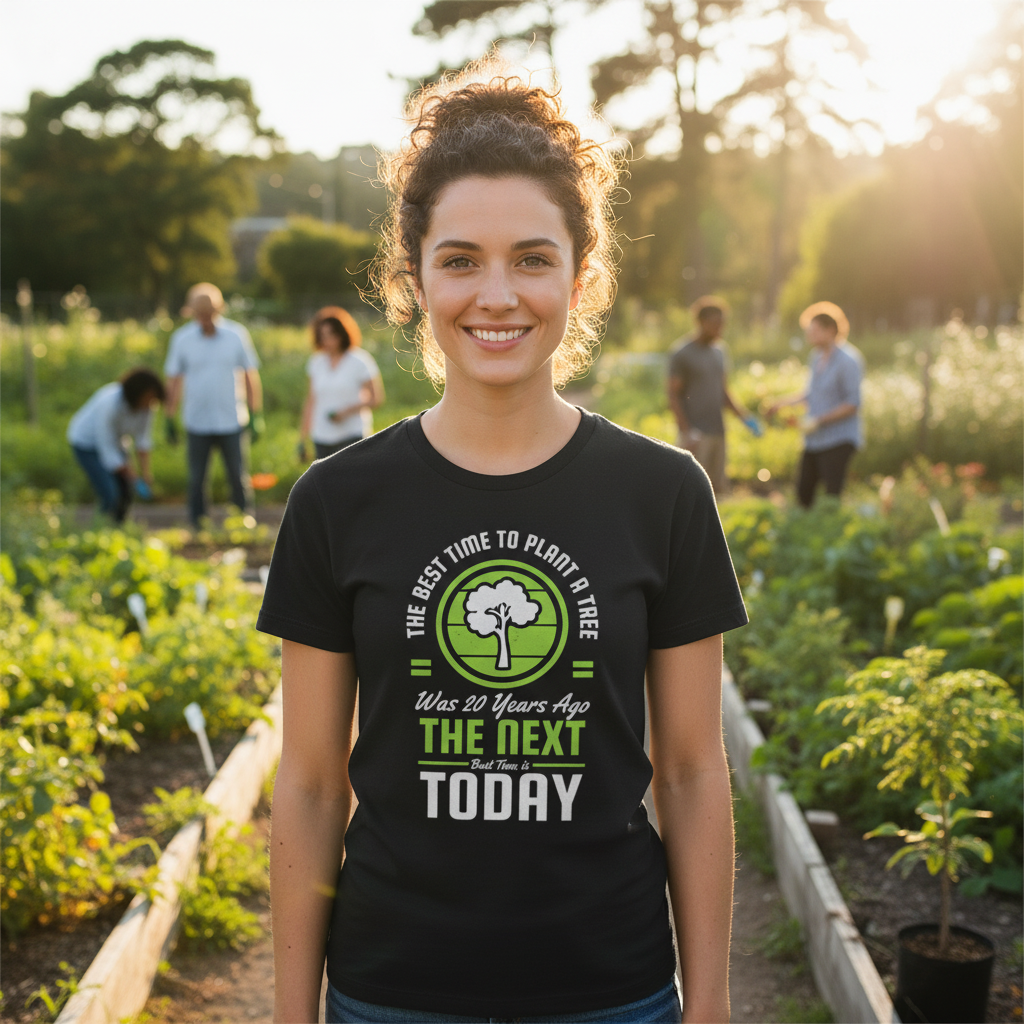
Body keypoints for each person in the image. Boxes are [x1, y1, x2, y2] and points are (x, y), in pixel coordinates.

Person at [258, 65, 747, 1024]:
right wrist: (290, 1012)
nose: (497, 295)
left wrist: (713, 1001)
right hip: (392, 991)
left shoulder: (663, 494)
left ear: (581, 273)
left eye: (532, 258)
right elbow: (312, 785)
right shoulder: (335, 502)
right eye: (460, 260)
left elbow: (691, 770)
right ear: (414, 280)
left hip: (612, 990)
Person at [163, 283, 264, 528]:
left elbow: (250, 375)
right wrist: (169, 416)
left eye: (209, 314)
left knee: (237, 475)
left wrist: (255, 413)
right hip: (196, 419)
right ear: (193, 313)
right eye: (200, 314)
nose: (205, 319)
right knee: (197, 478)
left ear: (218, 310)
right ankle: (198, 523)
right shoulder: (182, 339)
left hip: (231, 418)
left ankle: (242, 519)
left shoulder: (236, 335)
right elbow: (174, 380)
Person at [767, 301, 863, 508]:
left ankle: (831, 534)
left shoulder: (848, 360)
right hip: (815, 439)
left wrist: (818, 420)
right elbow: (811, 394)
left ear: (831, 330)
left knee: (831, 495)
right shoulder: (817, 356)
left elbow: (853, 403)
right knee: (803, 492)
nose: (810, 335)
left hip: (839, 439)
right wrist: (780, 403)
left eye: (815, 330)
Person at [667, 298, 760, 495]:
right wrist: (686, 431)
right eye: (716, 324)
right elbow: (673, 395)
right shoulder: (682, 353)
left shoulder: (720, 351)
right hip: (696, 434)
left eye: (723, 324)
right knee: (691, 490)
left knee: (717, 489)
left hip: (718, 430)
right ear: (701, 322)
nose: (720, 328)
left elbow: (723, 391)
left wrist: (745, 419)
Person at [67, 368, 164, 522]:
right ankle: (100, 529)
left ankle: (118, 528)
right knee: (110, 492)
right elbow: (106, 447)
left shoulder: (147, 409)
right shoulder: (109, 403)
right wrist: (131, 475)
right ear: (137, 392)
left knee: (126, 492)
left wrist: (145, 475)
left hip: (116, 442)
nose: (150, 403)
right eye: (148, 397)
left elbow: (143, 441)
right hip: (86, 444)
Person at [298, 306, 385, 462]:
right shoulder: (316, 362)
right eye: (323, 336)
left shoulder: (359, 360)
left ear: (342, 334)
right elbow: (311, 400)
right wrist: (302, 437)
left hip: (352, 435)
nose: (327, 341)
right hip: (322, 436)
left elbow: (376, 398)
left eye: (332, 335)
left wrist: (347, 411)